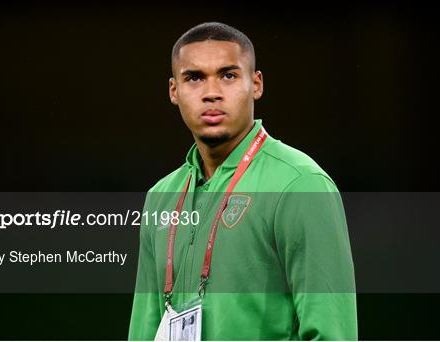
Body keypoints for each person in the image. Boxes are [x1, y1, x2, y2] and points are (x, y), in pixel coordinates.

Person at [128, 22, 357, 340]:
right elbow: (144, 327)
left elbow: (332, 332)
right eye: (194, 78)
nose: (211, 93)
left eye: (228, 75)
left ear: (256, 83)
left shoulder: (300, 184)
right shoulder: (161, 195)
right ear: (174, 91)